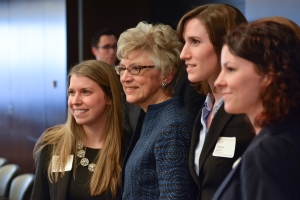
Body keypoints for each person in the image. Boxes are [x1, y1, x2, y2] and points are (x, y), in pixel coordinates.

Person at [213, 18, 300, 200]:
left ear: (268, 74)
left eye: (230, 69)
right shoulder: (286, 135)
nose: (218, 81)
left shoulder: (268, 152)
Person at [177, 4, 255, 200]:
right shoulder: (205, 108)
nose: (183, 54)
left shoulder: (249, 111)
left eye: (195, 41)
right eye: (184, 42)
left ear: (227, 44)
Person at [117, 21, 197, 199]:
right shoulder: (151, 115)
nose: (125, 78)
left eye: (136, 69)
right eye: (122, 69)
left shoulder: (173, 126)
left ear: (166, 74)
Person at [32, 60, 129, 199]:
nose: (75, 101)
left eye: (85, 92)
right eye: (71, 92)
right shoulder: (53, 143)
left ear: (109, 97)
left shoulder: (129, 149)